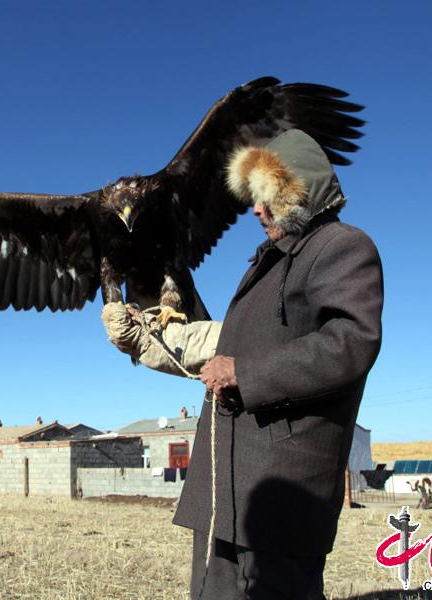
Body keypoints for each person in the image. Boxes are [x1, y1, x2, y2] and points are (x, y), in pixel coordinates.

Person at [102, 129, 383, 599]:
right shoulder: (267, 264)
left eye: (264, 196)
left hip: (282, 493)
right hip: (225, 489)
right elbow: (224, 343)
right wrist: (147, 341)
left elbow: (351, 342)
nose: (254, 210)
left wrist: (244, 375)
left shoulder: (342, 247)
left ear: (294, 192)